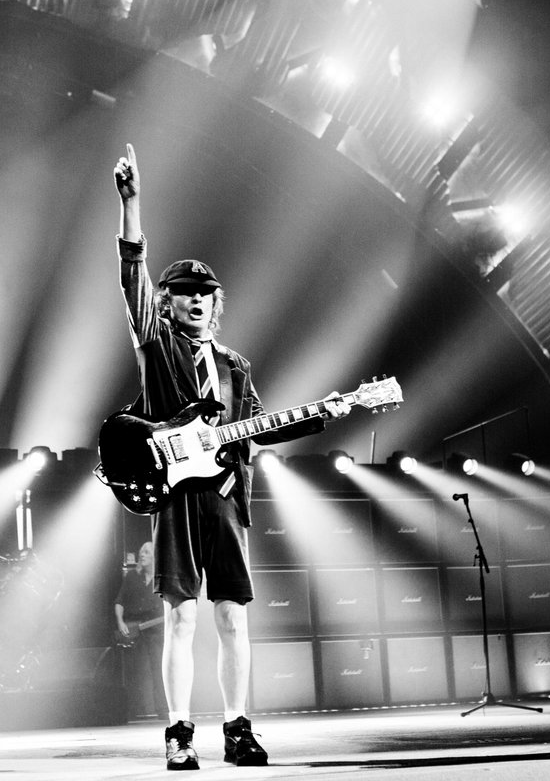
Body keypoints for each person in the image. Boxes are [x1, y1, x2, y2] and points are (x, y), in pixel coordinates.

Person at [111, 143, 350, 769]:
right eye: (184, 293)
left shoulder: (234, 366)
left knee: (233, 619)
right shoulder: (157, 347)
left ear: (216, 303)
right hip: (175, 499)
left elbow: (257, 429)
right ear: (167, 302)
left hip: (224, 498)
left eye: (205, 294)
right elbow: (133, 275)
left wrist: (325, 412)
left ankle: (239, 729)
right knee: (180, 620)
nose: (196, 300)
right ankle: (178, 733)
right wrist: (131, 204)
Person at [114, 541, 167, 720]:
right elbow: (119, 601)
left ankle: (163, 709)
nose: (142, 555)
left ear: (155, 556)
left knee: (158, 669)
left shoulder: (163, 578)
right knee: (134, 671)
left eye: (146, 552)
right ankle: (132, 710)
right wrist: (120, 622)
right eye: (141, 552)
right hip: (135, 628)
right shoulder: (132, 577)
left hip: (156, 630)